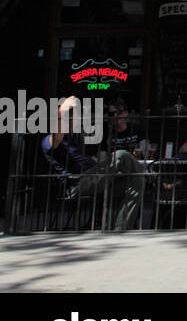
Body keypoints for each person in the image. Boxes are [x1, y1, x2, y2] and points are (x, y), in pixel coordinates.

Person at [41, 96, 146, 231]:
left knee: (138, 180)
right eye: (72, 118)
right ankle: (152, 174)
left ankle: (120, 229)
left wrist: (96, 162)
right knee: (122, 155)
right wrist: (63, 109)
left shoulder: (73, 140)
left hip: (95, 179)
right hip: (77, 183)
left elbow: (89, 161)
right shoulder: (49, 140)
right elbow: (56, 138)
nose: (76, 120)